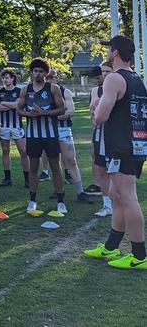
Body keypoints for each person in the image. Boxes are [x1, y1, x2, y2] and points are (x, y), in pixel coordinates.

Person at [84, 35, 147, 270]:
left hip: (121, 147)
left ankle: (139, 255)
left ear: (116, 53)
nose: (108, 53)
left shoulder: (113, 79)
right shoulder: (136, 78)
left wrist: (94, 108)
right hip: (135, 144)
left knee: (127, 197)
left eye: (110, 49)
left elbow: (101, 116)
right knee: (116, 194)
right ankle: (111, 247)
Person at [17, 58, 67, 214]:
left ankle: (60, 201)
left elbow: (62, 109)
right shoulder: (26, 89)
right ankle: (32, 200)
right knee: (33, 167)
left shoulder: (53, 88)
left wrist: (44, 113)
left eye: (41, 71)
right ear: (32, 72)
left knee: (55, 167)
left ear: (46, 73)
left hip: (50, 134)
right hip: (32, 135)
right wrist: (30, 114)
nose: (38, 74)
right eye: (35, 71)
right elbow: (19, 109)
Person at [44, 69, 93, 204]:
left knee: (70, 161)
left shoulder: (64, 91)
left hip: (63, 129)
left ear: (56, 78)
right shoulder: (40, 93)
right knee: (54, 162)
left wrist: (49, 115)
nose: (50, 80)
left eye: (53, 77)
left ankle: (80, 192)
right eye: (48, 77)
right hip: (47, 131)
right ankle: (59, 190)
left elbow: (70, 111)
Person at [0, 70, 29, 188]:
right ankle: (7, 178)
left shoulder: (19, 91)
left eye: (7, 77)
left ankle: (27, 179)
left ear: (13, 78)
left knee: (23, 151)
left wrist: (4, 103)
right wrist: (11, 105)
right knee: (5, 151)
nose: (5, 80)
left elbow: (18, 106)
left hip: (17, 126)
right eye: (3, 78)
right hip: (3, 126)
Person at [88, 62, 115, 216]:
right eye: (102, 71)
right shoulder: (96, 90)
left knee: (118, 173)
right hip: (100, 134)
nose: (104, 74)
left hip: (117, 136)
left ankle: (121, 202)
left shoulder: (120, 88)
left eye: (107, 71)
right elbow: (93, 113)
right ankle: (107, 205)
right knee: (103, 171)